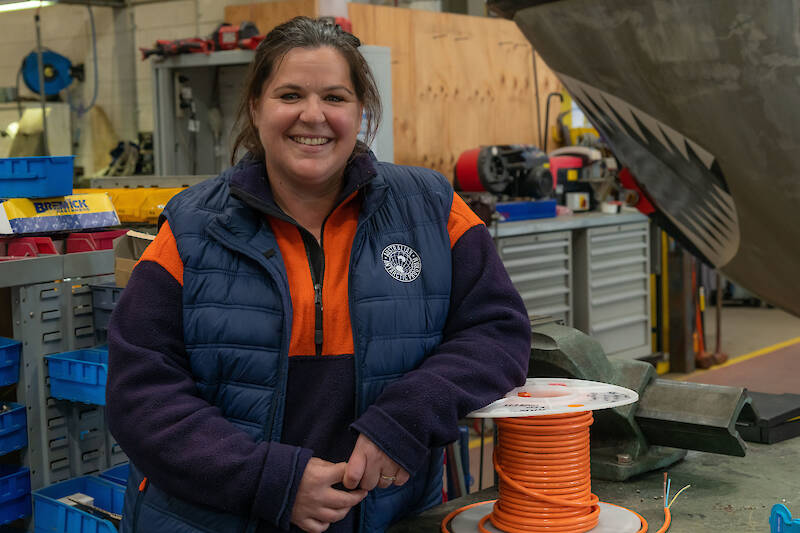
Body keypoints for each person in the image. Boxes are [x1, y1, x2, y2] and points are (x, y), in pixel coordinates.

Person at [106, 16, 530, 533]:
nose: (313, 116)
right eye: (289, 95)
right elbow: (140, 395)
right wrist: (271, 481)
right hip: (214, 518)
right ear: (257, 107)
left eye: (335, 97)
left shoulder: (432, 207)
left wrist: (407, 419)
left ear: (361, 111)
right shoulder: (194, 227)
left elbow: (497, 332)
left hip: (386, 515)